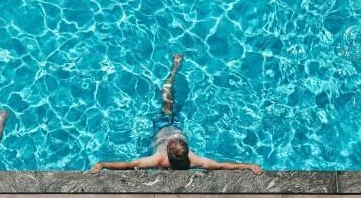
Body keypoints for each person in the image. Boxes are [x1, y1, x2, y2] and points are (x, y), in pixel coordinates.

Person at [90, 54, 262, 175]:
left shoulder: (159, 159)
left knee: (166, 93)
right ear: (186, 151)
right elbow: (220, 166)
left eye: (172, 144)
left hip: (162, 125)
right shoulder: (193, 160)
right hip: (176, 126)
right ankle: (174, 69)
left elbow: (129, 165)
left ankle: (174, 70)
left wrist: (103, 164)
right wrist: (247, 166)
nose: (172, 142)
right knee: (168, 97)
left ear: (168, 152)